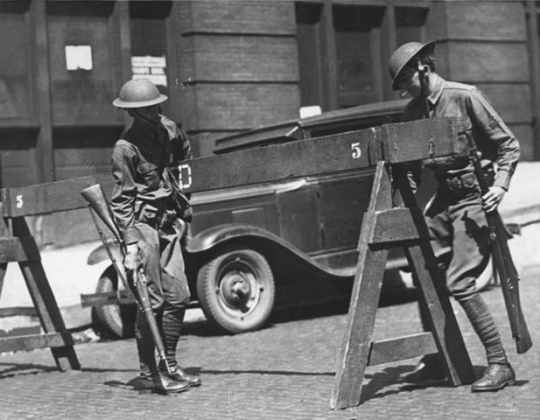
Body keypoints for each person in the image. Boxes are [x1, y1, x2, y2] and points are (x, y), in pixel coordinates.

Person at [388, 41, 520, 392]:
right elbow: (413, 167)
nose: (405, 90)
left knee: (459, 282)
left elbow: (509, 145)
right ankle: (437, 357)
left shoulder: (465, 96)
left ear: (423, 68)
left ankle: (499, 363)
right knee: (422, 270)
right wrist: (403, 189)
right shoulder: (413, 112)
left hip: (476, 200)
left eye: (406, 81)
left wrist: (502, 186)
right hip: (445, 200)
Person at [111, 78, 201, 394]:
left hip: (167, 221)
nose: (152, 111)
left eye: (153, 105)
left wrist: (178, 136)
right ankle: (149, 373)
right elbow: (121, 200)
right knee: (153, 300)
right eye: (143, 108)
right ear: (133, 113)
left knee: (179, 296)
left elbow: (185, 156)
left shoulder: (167, 129)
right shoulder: (125, 148)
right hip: (143, 226)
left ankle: (170, 366)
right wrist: (131, 243)